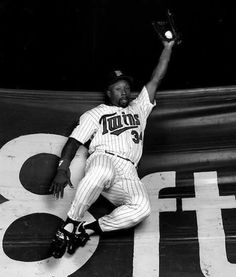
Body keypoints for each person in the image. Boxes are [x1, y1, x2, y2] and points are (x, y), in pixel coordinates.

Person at [49, 39, 175, 258]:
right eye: (118, 89)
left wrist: (168, 47)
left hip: (128, 170)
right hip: (103, 157)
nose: (124, 92)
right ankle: (69, 224)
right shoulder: (95, 113)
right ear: (109, 92)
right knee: (102, 171)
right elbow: (74, 141)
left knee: (142, 208)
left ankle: (84, 230)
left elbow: (156, 79)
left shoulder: (139, 109)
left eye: (127, 88)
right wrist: (62, 168)